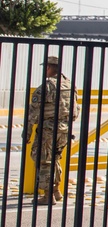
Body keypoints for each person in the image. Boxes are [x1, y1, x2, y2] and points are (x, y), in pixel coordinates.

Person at [23, 55, 78, 205]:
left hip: (48, 130)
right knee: (55, 158)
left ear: (48, 68)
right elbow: (75, 111)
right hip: (64, 129)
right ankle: (56, 191)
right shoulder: (69, 85)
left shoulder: (46, 87)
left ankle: (47, 196)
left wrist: (26, 133)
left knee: (43, 160)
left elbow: (33, 113)